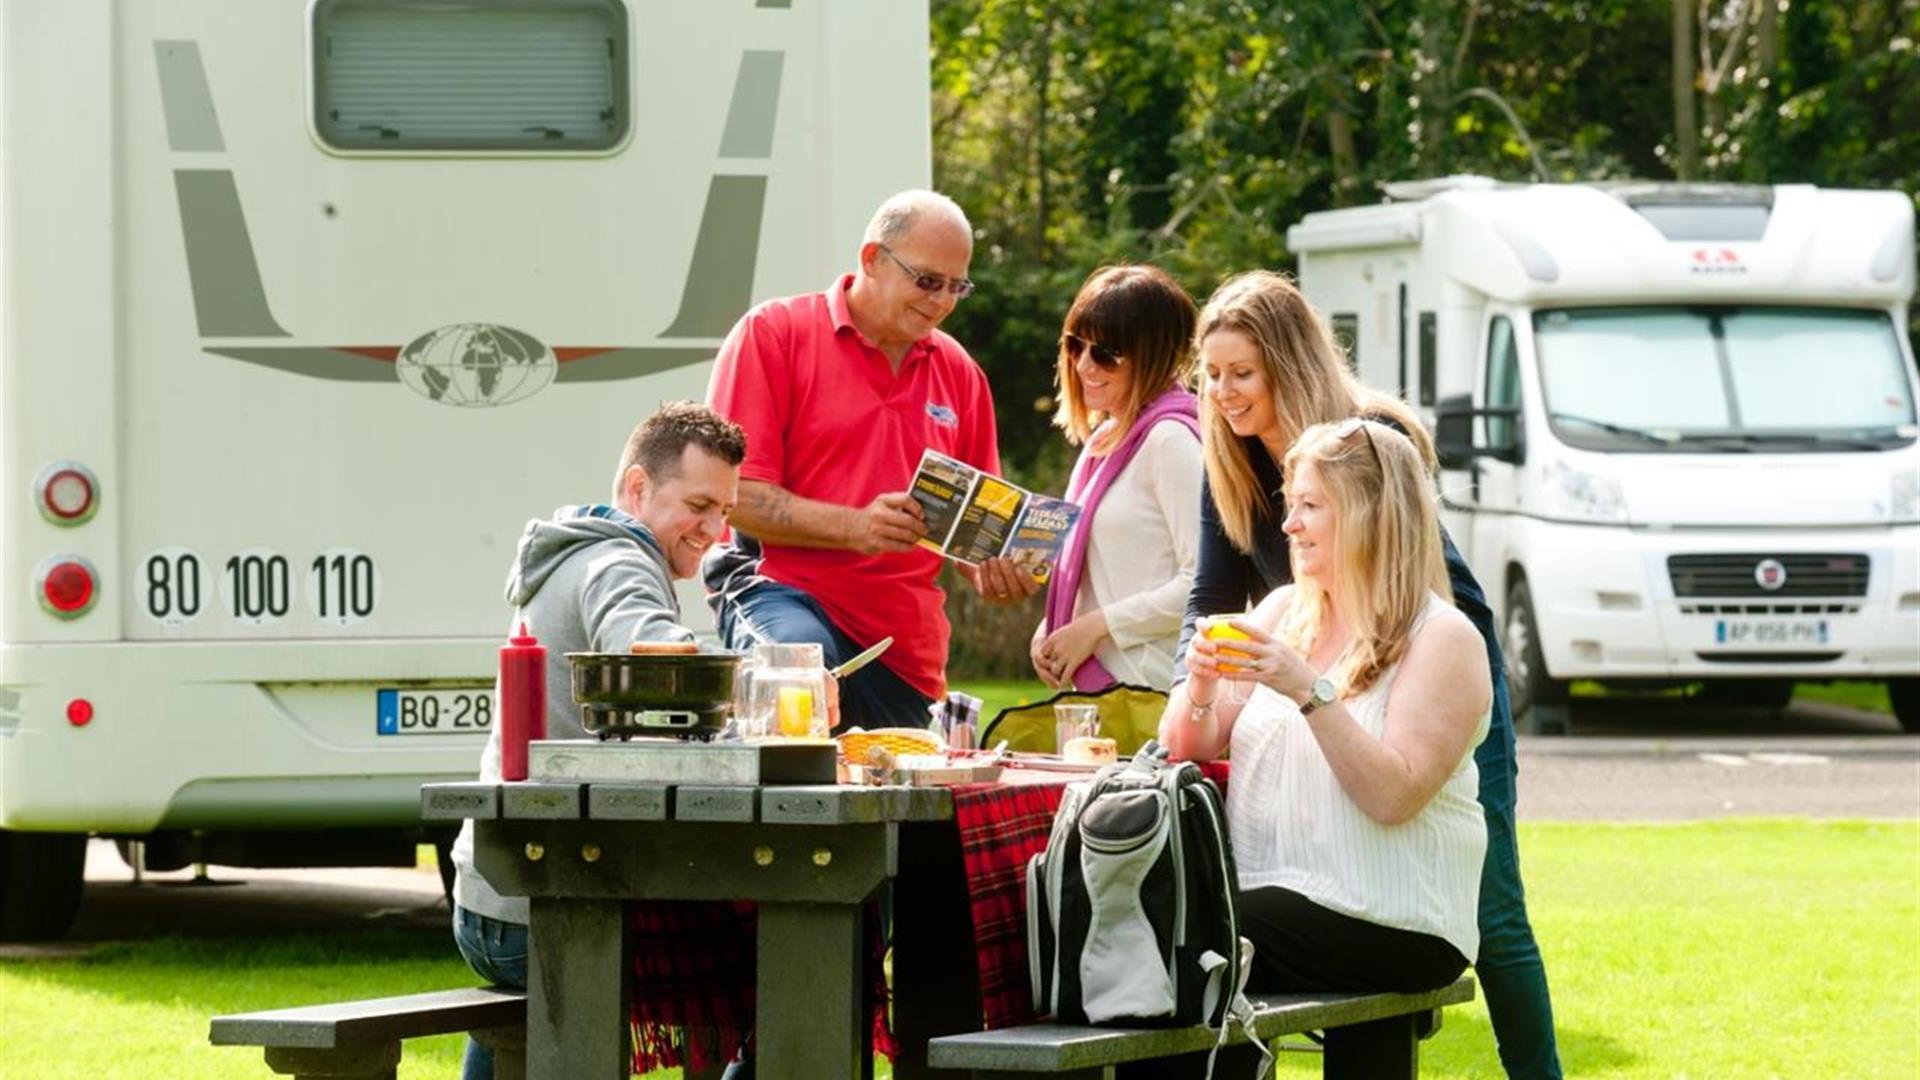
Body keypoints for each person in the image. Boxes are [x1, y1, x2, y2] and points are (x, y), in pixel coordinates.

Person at [1170, 270, 1564, 1078]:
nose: (1223, 392)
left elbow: (1432, 585)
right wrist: (1202, 674)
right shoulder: (1236, 469)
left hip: (1416, 675)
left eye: (1241, 373)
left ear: (1287, 362)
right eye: (1211, 375)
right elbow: (1210, 601)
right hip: (1322, 651)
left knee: (1493, 907)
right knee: (1308, 873)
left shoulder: (1365, 441)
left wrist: (1367, 670)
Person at [1151, 420, 1491, 1078]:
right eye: (1290, 505)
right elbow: (1186, 745)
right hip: (1274, 898)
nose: (1289, 526)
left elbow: (1394, 796)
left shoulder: (1443, 639)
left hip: (1396, 913)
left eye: (1310, 506)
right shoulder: (1281, 611)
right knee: (1166, 936)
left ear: (1368, 515)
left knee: (1183, 939)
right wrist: (1198, 681)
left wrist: (1307, 687)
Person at [448, 401, 747, 1080]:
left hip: (491, 895)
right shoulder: (620, 563)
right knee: (773, 963)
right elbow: (646, 646)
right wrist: (753, 679)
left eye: (725, 510)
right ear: (639, 488)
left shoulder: (572, 550)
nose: (715, 530)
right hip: (543, 906)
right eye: (699, 504)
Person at [703, 189, 1036, 730]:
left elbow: (976, 533)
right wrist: (855, 527)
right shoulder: (774, 334)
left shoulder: (960, 371)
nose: (942, 301)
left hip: (905, 646)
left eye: (958, 287)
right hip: (783, 596)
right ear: (871, 260)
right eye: (927, 281)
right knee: (798, 693)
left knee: (910, 806)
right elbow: (736, 501)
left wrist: (997, 569)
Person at [1031, 264, 1203, 692]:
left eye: (1106, 353)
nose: (1085, 364)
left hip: (1151, 689)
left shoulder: (1170, 441)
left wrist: (1094, 628)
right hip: (1105, 690)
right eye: (1075, 346)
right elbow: (1104, 572)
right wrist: (1052, 628)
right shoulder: (1104, 442)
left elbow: (1201, 583)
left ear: (1155, 354)